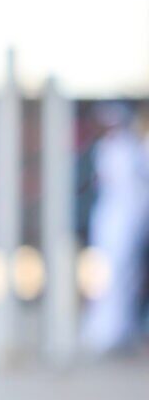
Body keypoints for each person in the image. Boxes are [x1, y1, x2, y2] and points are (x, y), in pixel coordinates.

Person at [82, 103, 149, 355]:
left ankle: (118, 331)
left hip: (128, 222)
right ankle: (106, 332)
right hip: (116, 222)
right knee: (110, 277)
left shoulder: (129, 148)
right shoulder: (115, 149)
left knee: (125, 280)